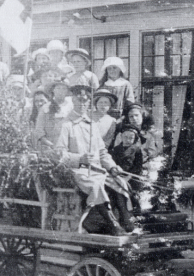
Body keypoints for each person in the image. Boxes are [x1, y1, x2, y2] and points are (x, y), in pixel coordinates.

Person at [53, 84, 134, 235]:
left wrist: (112, 167)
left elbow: (102, 152)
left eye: (86, 101)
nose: (83, 103)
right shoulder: (65, 125)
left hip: (97, 169)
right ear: (73, 101)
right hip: (76, 170)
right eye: (79, 100)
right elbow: (59, 154)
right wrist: (80, 158)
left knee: (119, 182)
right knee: (95, 185)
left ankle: (125, 219)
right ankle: (112, 224)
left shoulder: (92, 125)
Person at [108, 123, 145, 218]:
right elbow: (111, 164)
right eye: (125, 137)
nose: (128, 140)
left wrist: (128, 177)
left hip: (132, 178)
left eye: (131, 138)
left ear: (135, 138)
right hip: (117, 176)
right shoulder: (115, 150)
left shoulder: (137, 150)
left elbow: (138, 167)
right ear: (121, 137)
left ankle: (135, 215)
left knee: (133, 194)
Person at [32, 80, 73, 150]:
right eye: (58, 88)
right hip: (51, 145)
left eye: (64, 89)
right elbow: (39, 130)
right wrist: (51, 145)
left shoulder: (71, 107)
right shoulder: (45, 108)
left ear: (67, 91)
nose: (61, 91)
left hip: (69, 145)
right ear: (53, 90)